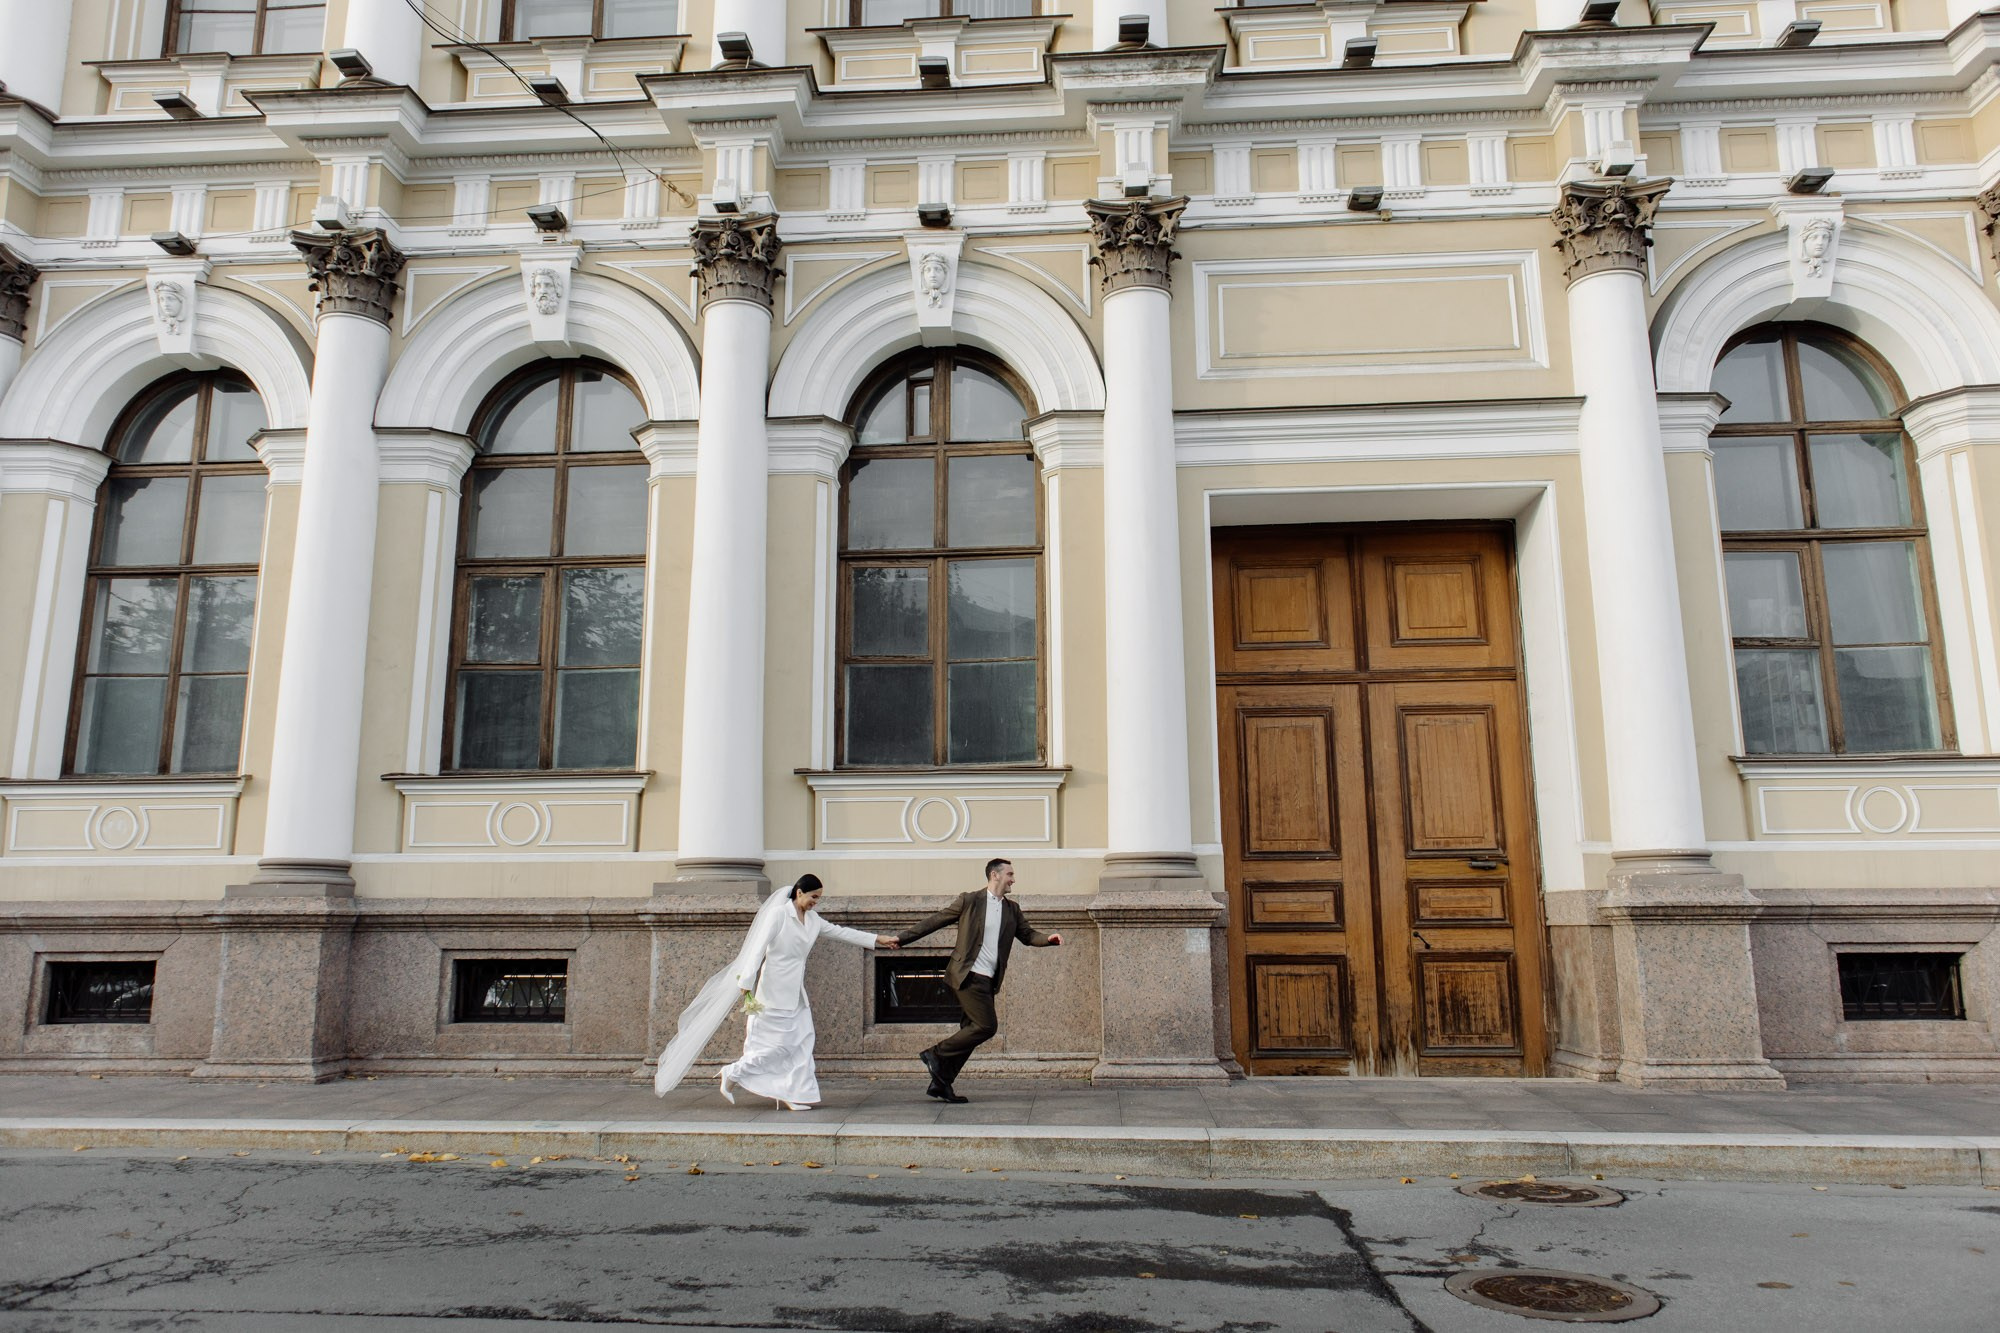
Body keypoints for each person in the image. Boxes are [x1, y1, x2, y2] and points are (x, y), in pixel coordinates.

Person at [652, 874, 898, 1111]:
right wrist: (746, 980)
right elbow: (758, 949)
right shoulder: (778, 915)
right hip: (772, 993)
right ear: (799, 893)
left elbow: (842, 932)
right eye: (813, 897)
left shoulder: (813, 920)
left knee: (802, 1044)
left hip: (797, 995)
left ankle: (794, 1093)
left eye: (819, 898)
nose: (815, 902)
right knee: (776, 1047)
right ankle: (733, 1072)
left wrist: (880, 939)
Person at [895, 858, 1061, 1104]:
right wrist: (901, 938)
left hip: (989, 980)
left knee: (970, 1031)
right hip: (967, 975)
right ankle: (935, 1054)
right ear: (995, 875)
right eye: (1010, 874)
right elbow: (935, 921)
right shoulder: (969, 900)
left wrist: (1048, 939)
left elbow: (1027, 935)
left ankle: (941, 1084)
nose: (1013, 879)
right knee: (986, 1027)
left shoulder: (1012, 909)